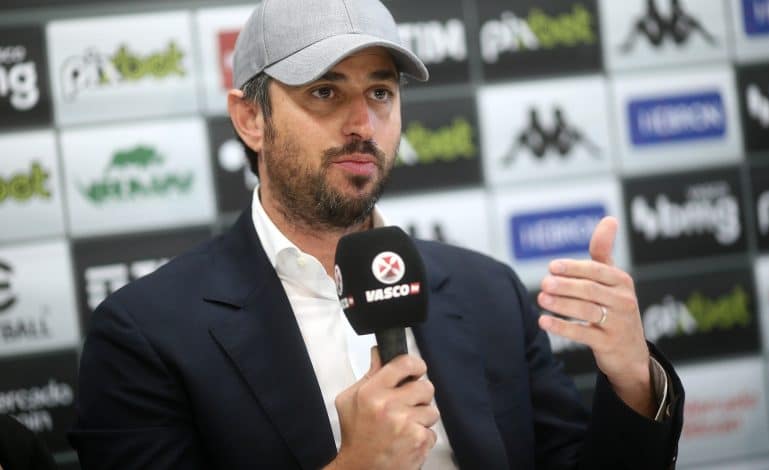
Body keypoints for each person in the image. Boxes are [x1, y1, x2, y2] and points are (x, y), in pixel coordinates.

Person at [69, 0, 684, 468]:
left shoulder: (486, 291)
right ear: (250, 118)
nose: (362, 124)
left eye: (381, 92)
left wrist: (634, 380)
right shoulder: (144, 335)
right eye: (325, 91)